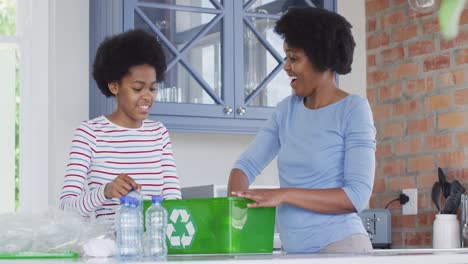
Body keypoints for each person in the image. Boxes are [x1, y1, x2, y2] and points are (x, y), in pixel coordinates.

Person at [228, 7, 376, 254]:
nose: (286, 67)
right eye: (286, 58)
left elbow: (356, 196)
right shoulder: (285, 111)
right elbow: (246, 165)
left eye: (294, 59)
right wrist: (235, 204)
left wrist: (283, 195)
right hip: (295, 252)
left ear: (321, 58)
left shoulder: (353, 110)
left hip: (341, 247)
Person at [59, 29, 181, 224]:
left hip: (154, 248)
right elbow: (66, 208)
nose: (147, 96)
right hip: (108, 250)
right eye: (137, 88)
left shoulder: (159, 133)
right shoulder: (90, 134)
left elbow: (173, 202)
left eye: (152, 88)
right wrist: (105, 191)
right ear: (114, 86)